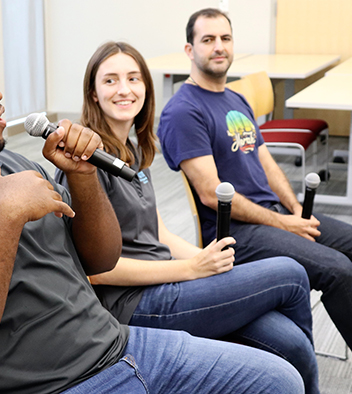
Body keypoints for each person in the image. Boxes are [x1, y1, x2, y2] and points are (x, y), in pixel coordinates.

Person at [0, 39, 305, 394]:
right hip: (53, 386)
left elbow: (100, 259)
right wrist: (4, 218)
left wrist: (81, 177)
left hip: (119, 346)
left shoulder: (14, 165)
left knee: (279, 379)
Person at [56, 40, 319, 393]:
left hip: (170, 281)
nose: (124, 89)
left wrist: (204, 259)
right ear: (93, 94)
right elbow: (95, 271)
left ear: (146, 89)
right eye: (110, 80)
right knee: (290, 272)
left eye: (134, 79)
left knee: (292, 343)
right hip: (134, 304)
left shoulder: (132, 151)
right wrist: (192, 270)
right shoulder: (84, 163)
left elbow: (159, 233)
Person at [158, 7, 352, 352]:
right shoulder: (183, 111)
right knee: (338, 269)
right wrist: (284, 223)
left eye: (225, 38)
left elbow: (266, 162)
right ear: (190, 50)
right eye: (208, 40)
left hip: (273, 214)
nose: (219, 46)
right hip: (237, 233)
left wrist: (294, 209)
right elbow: (210, 195)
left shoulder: (235, 98)